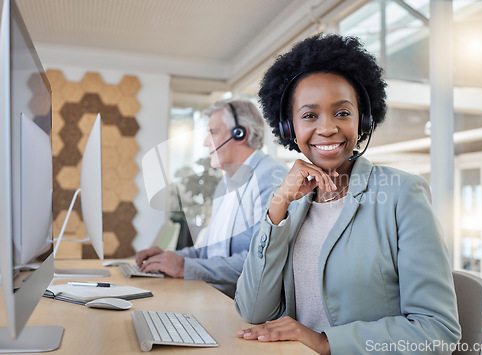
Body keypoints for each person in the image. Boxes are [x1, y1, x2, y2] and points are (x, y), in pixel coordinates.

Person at [234, 34, 461, 354]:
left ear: (363, 120)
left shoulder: (401, 194)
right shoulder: (290, 203)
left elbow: (439, 330)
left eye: (341, 112)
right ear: (289, 128)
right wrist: (278, 206)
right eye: (310, 115)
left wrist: (326, 341)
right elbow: (253, 310)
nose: (327, 128)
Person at [136, 99, 288, 298]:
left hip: (246, 309)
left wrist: (186, 267)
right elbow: (207, 252)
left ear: (240, 133)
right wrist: (167, 259)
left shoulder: (271, 178)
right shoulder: (224, 185)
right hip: (214, 297)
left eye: (213, 132)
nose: (205, 142)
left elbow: (261, 260)